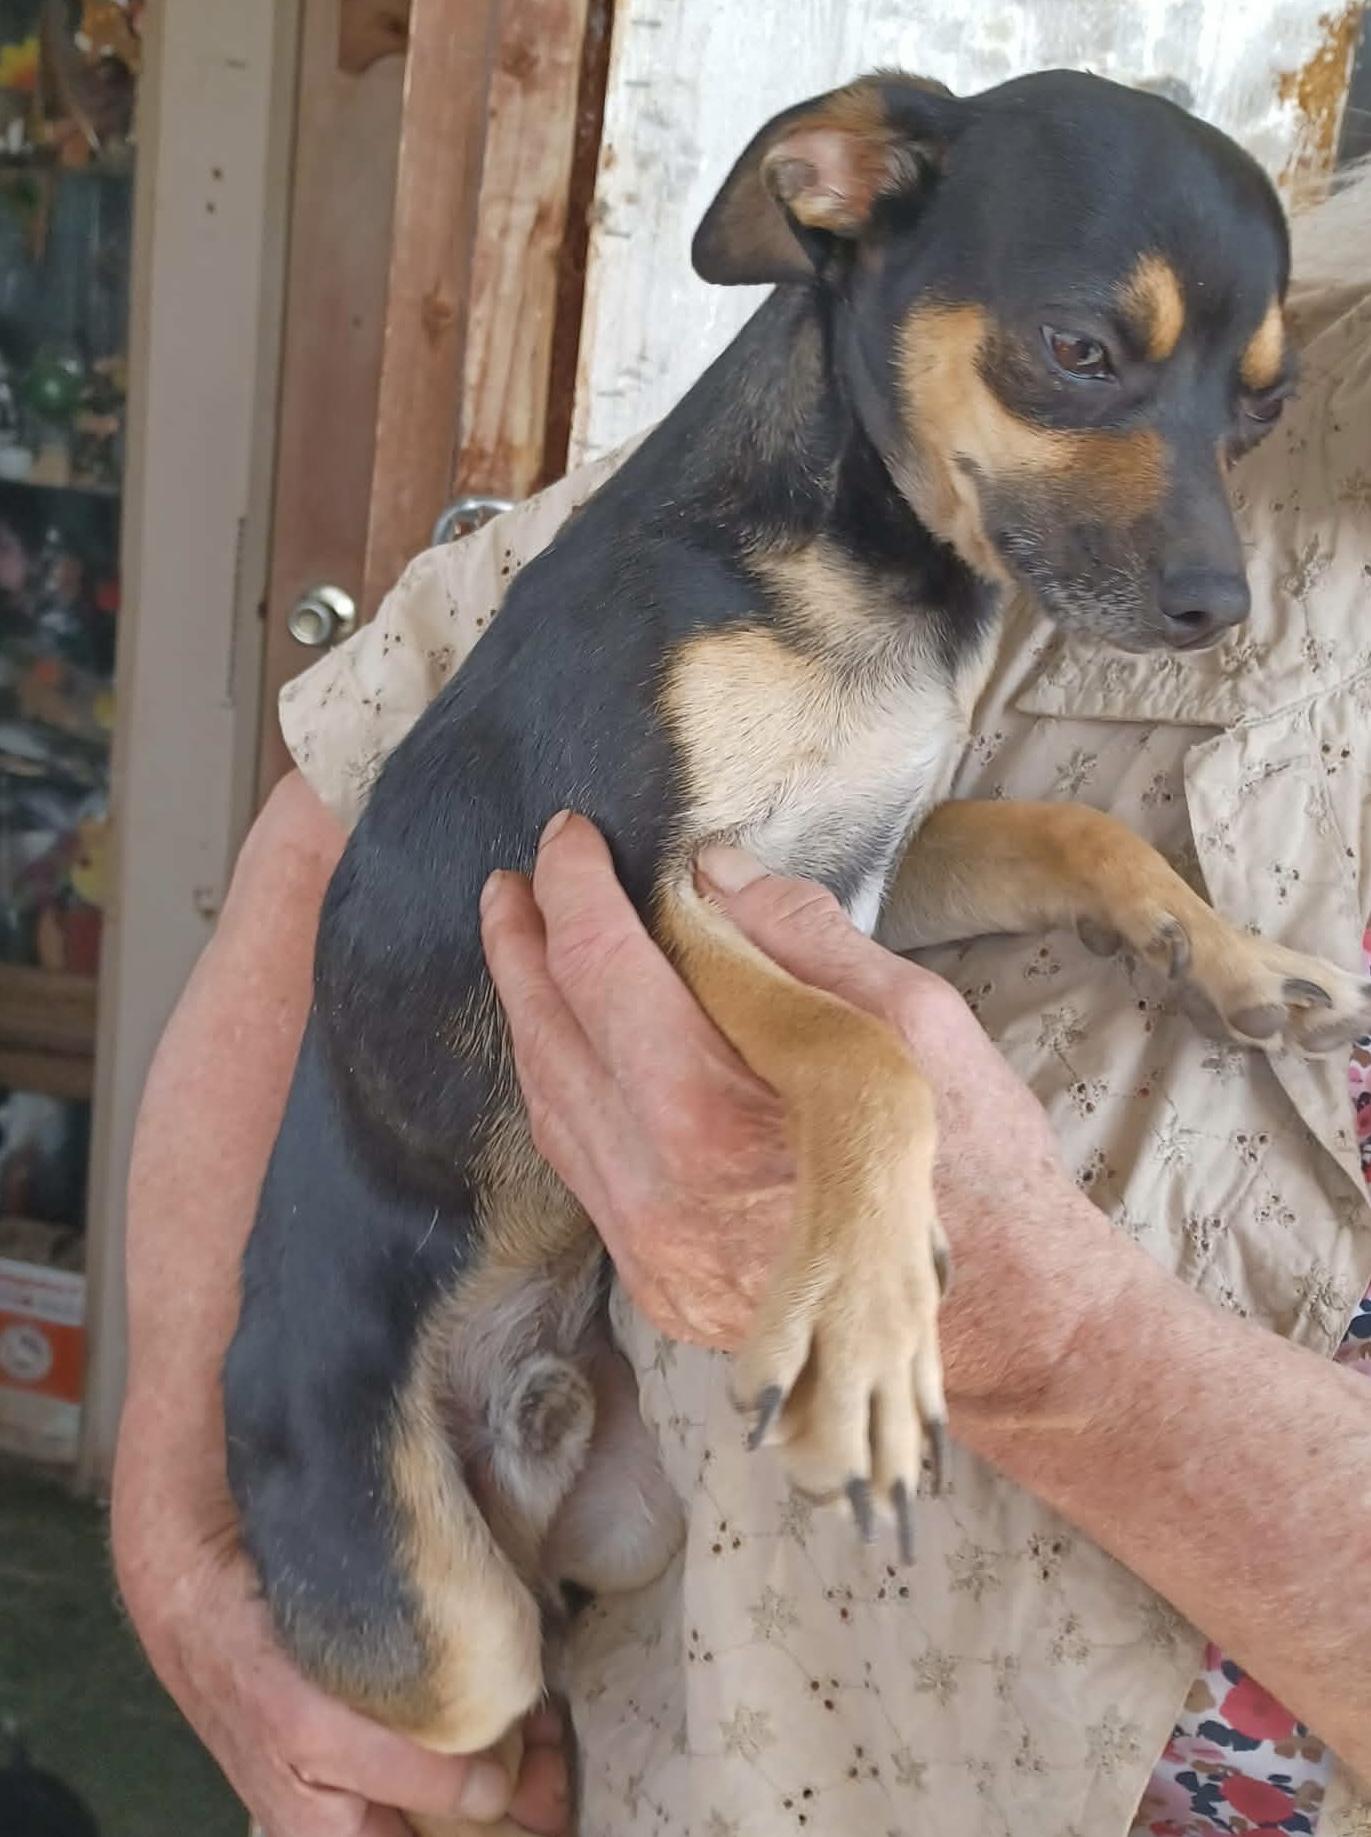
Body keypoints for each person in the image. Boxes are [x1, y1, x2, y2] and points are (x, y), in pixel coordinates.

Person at [112, 173, 1371, 1837]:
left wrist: (1049, 1335)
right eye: (1087, 361)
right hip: (562, 1622)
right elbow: (379, 761)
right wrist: (200, 1537)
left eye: (1243, 411)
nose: (1201, 506)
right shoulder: (1214, 266)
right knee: (472, 1684)